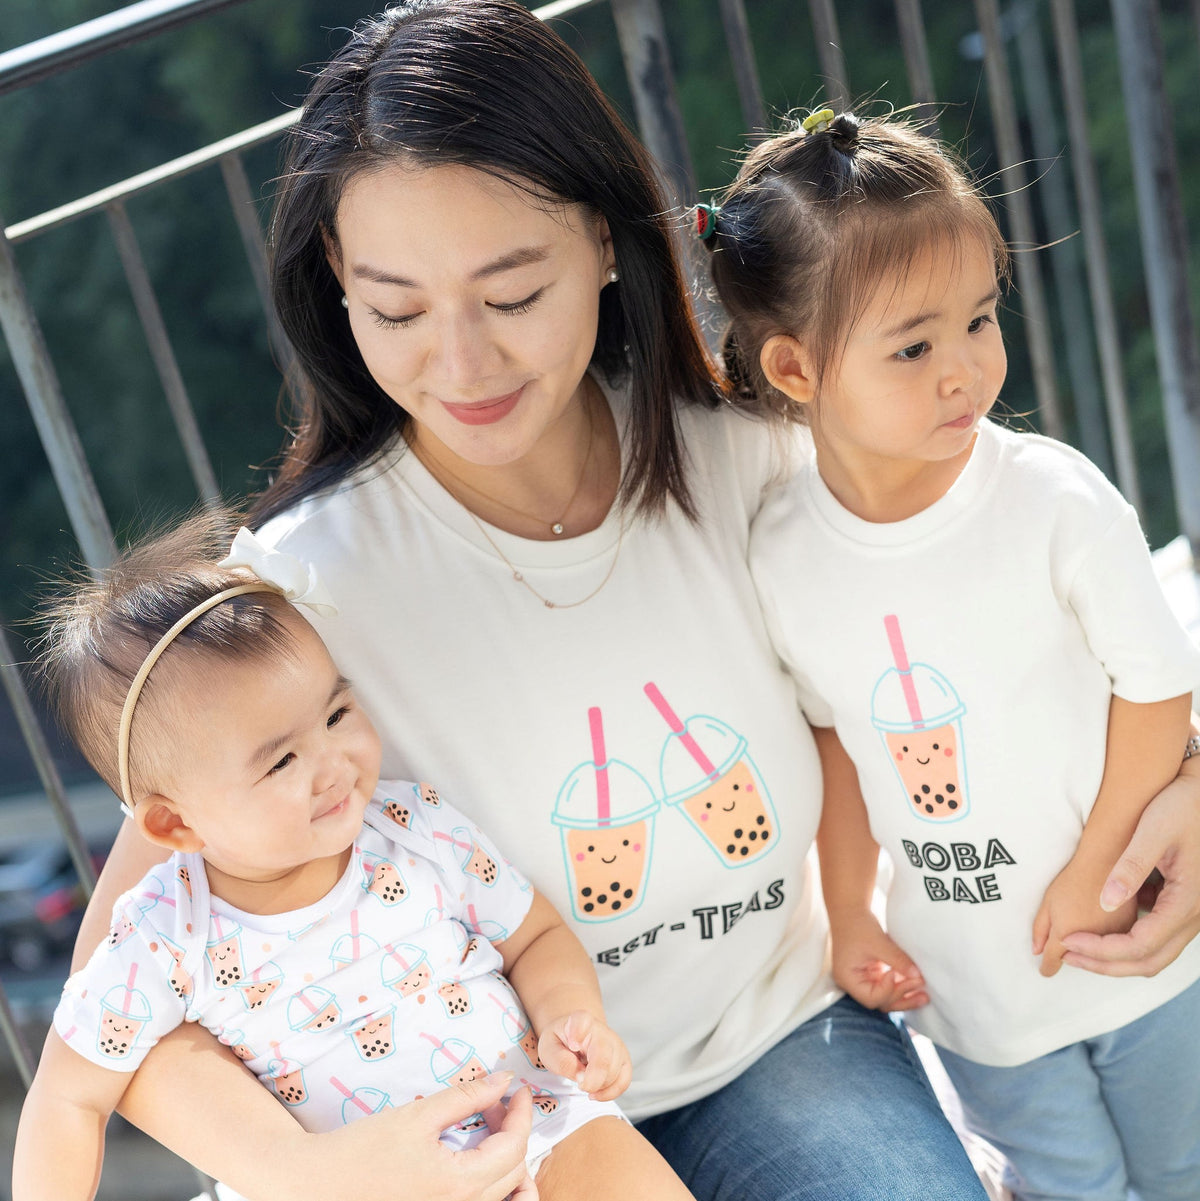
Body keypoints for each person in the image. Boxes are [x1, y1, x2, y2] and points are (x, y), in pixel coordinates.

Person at [70, 5, 1200, 1200]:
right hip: (510, 1121)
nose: (461, 363)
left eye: (511, 294)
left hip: (781, 1046)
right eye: (396, 309)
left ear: (609, 246)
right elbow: (120, 993)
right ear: (338, 290)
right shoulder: (301, 582)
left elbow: (1037, 607)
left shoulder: (755, 463)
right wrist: (312, 1170)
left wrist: (1184, 782)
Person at [699, 108, 1200, 1199]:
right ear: (794, 367)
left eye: (980, 319)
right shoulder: (782, 552)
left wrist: (1094, 871)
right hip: (979, 997)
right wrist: (853, 913)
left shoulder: (1051, 499)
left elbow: (1159, 694)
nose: (967, 367)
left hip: (1143, 953)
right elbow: (835, 744)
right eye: (914, 345)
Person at [15, 512, 695, 1201]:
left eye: (337, 714)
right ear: (174, 822)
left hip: (535, 1123)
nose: (333, 763)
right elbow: (69, 1096)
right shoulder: (165, 935)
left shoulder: (412, 825)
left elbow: (536, 934)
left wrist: (570, 1014)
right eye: (281, 759)